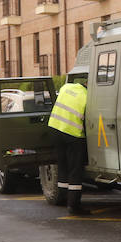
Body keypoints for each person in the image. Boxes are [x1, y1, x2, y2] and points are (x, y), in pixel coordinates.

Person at [47, 77, 90, 215]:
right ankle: (73, 205)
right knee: (75, 169)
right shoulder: (87, 96)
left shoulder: (66, 88)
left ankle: (62, 198)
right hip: (73, 134)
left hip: (55, 129)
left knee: (63, 166)